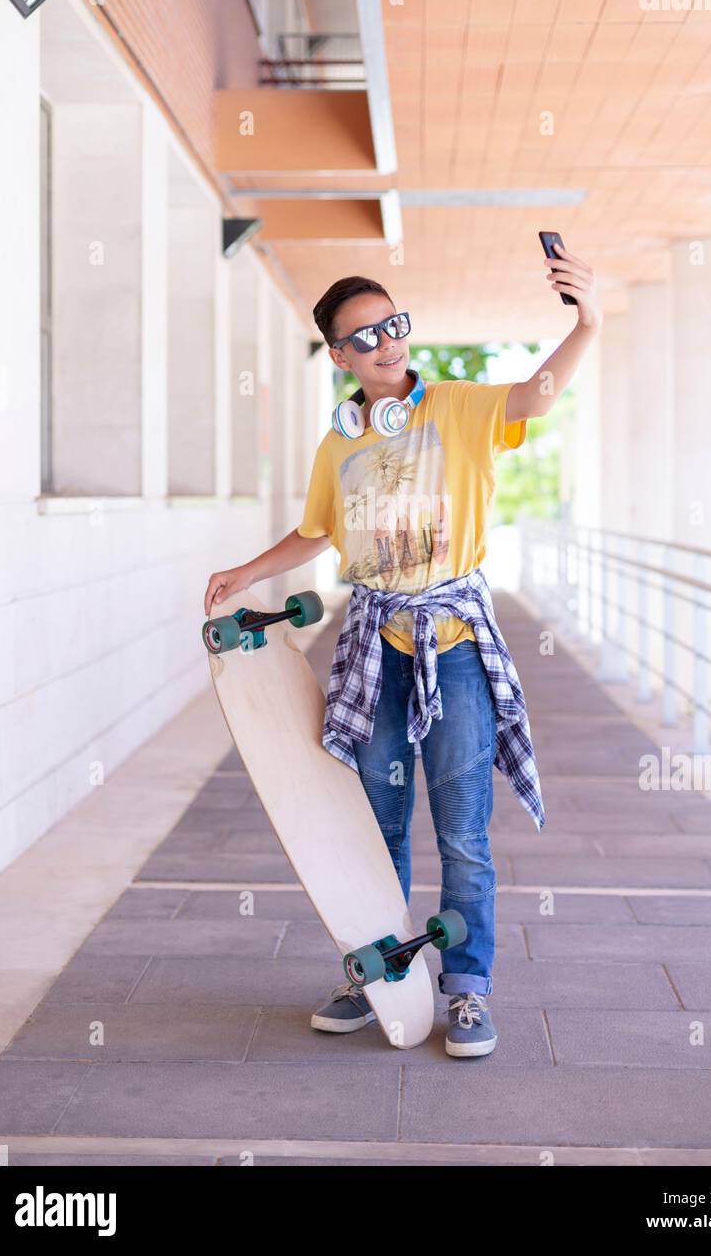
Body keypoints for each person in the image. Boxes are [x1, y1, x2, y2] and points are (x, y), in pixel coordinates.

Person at [204, 240, 602, 1057]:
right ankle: (380, 977)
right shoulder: (339, 445)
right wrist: (245, 571)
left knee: (462, 831)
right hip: (373, 656)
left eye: (396, 324)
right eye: (368, 334)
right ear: (342, 354)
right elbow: (316, 532)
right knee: (374, 831)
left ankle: (467, 991)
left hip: (453, 650)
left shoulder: (456, 408)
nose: (390, 341)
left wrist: (589, 317)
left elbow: (536, 392)